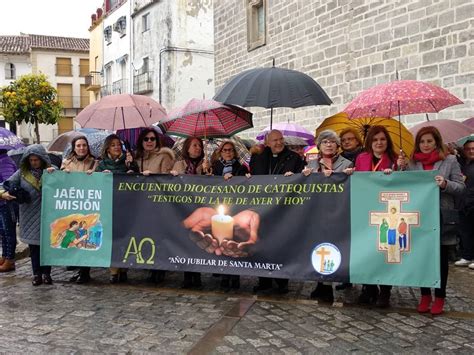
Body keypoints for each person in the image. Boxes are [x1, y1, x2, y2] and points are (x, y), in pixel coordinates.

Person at [406, 126, 465, 315]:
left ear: (436, 142)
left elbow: (461, 187)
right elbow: (404, 184)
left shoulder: (449, 160)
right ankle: (425, 294)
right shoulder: (412, 162)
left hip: (440, 215)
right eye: (422, 141)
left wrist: (445, 184)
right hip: (419, 215)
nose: (425, 145)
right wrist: (398, 168)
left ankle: (439, 296)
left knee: (440, 258)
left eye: (429, 141)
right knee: (421, 257)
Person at [249, 129, 305, 294]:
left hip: (283, 208)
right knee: (262, 243)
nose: (279, 142)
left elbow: (301, 178)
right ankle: (264, 280)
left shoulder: (294, 158)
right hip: (262, 208)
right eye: (274, 140)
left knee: (281, 243)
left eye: (281, 139)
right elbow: (250, 177)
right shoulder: (258, 157)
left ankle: (282, 281)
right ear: (267, 143)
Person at [302, 130, 353, 303]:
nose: (329, 145)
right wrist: (305, 175)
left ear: (337, 145)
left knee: (331, 245)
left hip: (337, 210)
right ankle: (320, 283)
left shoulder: (346, 163)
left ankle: (328, 285)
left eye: (332, 142)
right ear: (319, 146)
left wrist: (345, 175)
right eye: (325, 142)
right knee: (318, 246)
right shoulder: (311, 163)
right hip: (317, 211)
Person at [354, 125, 398, 307]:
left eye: (382, 139)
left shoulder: (396, 160)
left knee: (384, 250)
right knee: (367, 250)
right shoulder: (362, 158)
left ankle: (385, 290)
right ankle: (369, 287)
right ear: (369, 142)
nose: (379, 143)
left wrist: (399, 171)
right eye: (375, 139)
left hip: (386, 211)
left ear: (387, 141)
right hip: (365, 210)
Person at [3, 145, 56, 286]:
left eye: (36, 160)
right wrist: (5, 193)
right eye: (31, 160)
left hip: (47, 214)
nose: (34, 162)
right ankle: (36, 274)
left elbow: (62, 180)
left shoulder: (50, 171)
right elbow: (6, 183)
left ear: (42, 159)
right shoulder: (22, 173)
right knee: (34, 248)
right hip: (29, 214)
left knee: (46, 247)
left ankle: (46, 273)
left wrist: (54, 173)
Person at [96, 134, 138, 284]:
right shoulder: (101, 165)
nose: (117, 147)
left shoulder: (128, 162)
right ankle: (113, 270)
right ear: (108, 147)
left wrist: (131, 167)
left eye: (118, 144)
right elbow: (95, 184)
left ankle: (124, 268)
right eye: (113, 145)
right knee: (110, 238)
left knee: (124, 237)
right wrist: (100, 176)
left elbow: (137, 181)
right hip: (108, 206)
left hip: (126, 206)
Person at [135, 127, 175, 283]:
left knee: (159, 236)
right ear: (141, 141)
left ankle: (160, 268)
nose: (149, 142)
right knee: (146, 236)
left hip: (159, 203)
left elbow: (166, 178)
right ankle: (150, 265)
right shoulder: (137, 158)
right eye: (146, 139)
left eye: (152, 139)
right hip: (141, 204)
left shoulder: (164, 156)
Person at [171, 136, 209, 289]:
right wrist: (172, 175)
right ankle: (187, 275)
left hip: (199, 208)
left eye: (199, 145)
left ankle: (197, 275)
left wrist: (207, 172)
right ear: (187, 148)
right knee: (185, 241)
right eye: (194, 145)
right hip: (183, 208)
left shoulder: (205, 164)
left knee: (197, 240)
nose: (198, 148)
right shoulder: (179, 165)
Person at [211, 140, 249, 289]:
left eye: (231, 150)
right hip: (220, 207)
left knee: (234, 243)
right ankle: (224, 276)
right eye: (225, 150)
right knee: (222, 242)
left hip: (235, 207)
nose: (228, 152)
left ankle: (235, 276)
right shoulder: (215, 167)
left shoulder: (240, 167)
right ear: (220, 152)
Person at [61, 135, 97, 284]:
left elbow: (101, 179)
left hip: (89, 205)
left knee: (85, 235)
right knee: (73, 237)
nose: (82, 148)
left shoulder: (95, 162)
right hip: (73, 205)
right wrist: (57, 173)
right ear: (74, 148)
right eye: (78, 146)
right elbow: (59, 181)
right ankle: (78, 269)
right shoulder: (67, 163)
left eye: (84, 145)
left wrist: (97, 174)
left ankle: (85, 272)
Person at [455, 137, 474, 270]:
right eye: (468, 149)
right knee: (465, 231)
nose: (471, 151)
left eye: (473, 149)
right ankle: (467, 256)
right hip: (463, 203)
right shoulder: (462, 162)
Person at [0, 150, 18, 272]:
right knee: (3, 231)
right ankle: (5, 256)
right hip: (2, 202)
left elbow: (7, 183)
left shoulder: (5, 162)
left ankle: (10, 260)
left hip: (7, 202)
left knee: (8, 232)